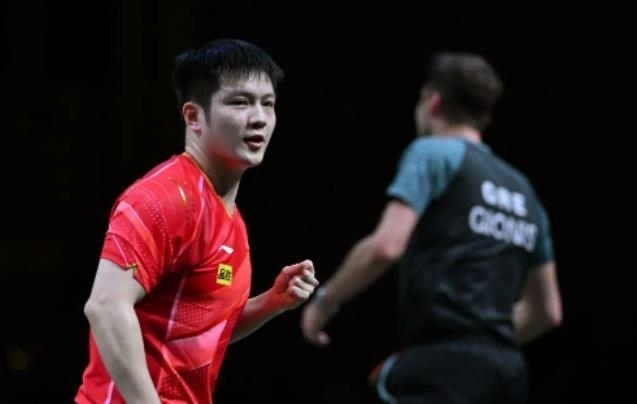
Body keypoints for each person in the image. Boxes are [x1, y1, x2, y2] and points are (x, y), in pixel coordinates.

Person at [301, 51, 562, 404]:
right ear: (484, 116)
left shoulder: (432, 153)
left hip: (444, 363)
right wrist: (481, 354)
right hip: (507, 373)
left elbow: (386, 247)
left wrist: (325, 301)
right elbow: (547, 311)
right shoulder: (524, 191)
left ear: (432, 101)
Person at [75, 38, 319, 404]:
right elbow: (106, 307)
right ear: (193, 116)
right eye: (240, 102)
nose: (259, 117)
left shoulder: (231, 219)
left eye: (268, 103)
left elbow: (200, 329)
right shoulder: (162, 199)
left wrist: (271, 302)